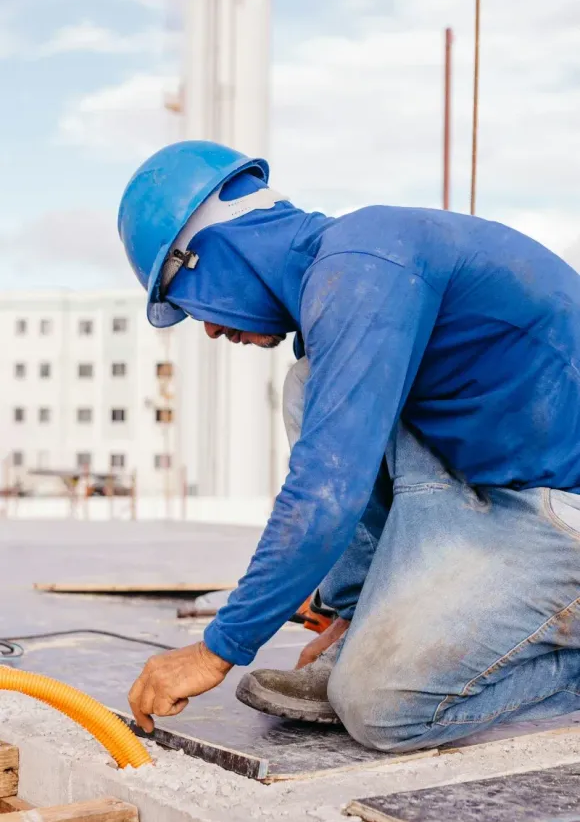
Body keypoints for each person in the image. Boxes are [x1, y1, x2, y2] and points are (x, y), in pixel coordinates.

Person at [119, 140, 580, 753]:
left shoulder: (365, 267)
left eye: (188, 299)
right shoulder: (348, 269)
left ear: (207, 251)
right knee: (308, 386)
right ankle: (352, 621)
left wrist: (216, 649)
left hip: (561, 511)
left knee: (381, 708)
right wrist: (347, 614)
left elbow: (326, 493)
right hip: (497, 478)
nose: (206, 326)